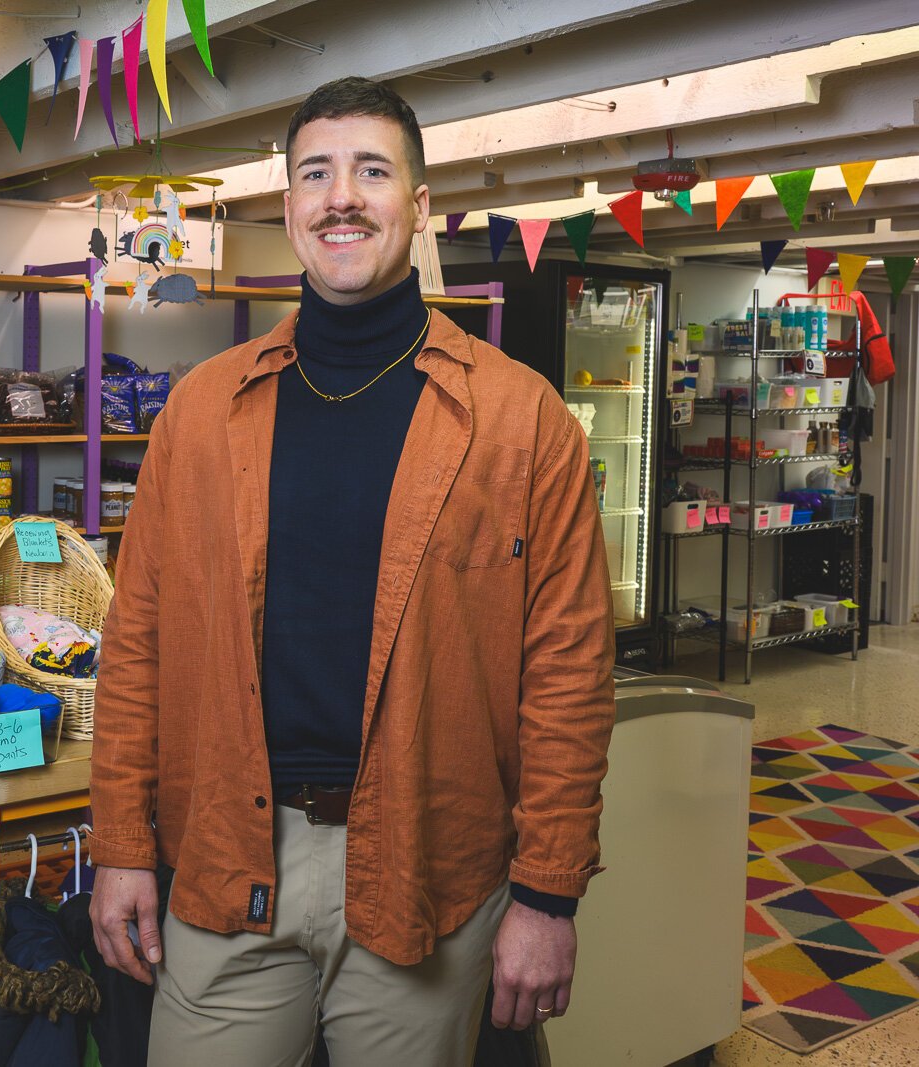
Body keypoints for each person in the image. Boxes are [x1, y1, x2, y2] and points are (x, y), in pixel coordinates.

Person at [87, 76, 616, 1066]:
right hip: (222, 854)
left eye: (372, 172)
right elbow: (138, 642)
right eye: (315, 173)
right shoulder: (201, 412)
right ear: (287, 204)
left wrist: (546, 893)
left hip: (429, 860)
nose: (341, 197)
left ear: (417, 208)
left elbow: (568, 672)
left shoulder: (519, 418)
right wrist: (121, 842)